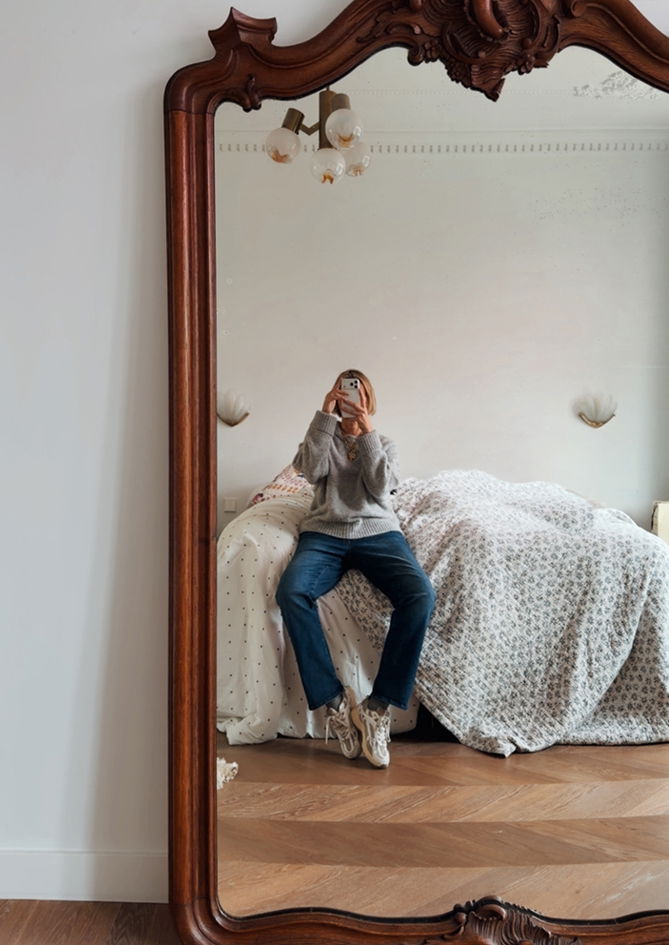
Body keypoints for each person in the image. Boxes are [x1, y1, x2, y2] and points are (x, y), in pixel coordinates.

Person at [276, 370, 435, 768]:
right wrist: (323, 417)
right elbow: (311, 472)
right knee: (292, 591)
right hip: (324, 535)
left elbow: (380, 487)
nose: (350, 397)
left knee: (420, 595)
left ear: (368, 400)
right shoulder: (320, 436)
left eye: (357, 392)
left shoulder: (383, 443)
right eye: (343, 391)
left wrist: (366, 432)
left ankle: (377, 708)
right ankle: (334, 702)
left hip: (379, 534)